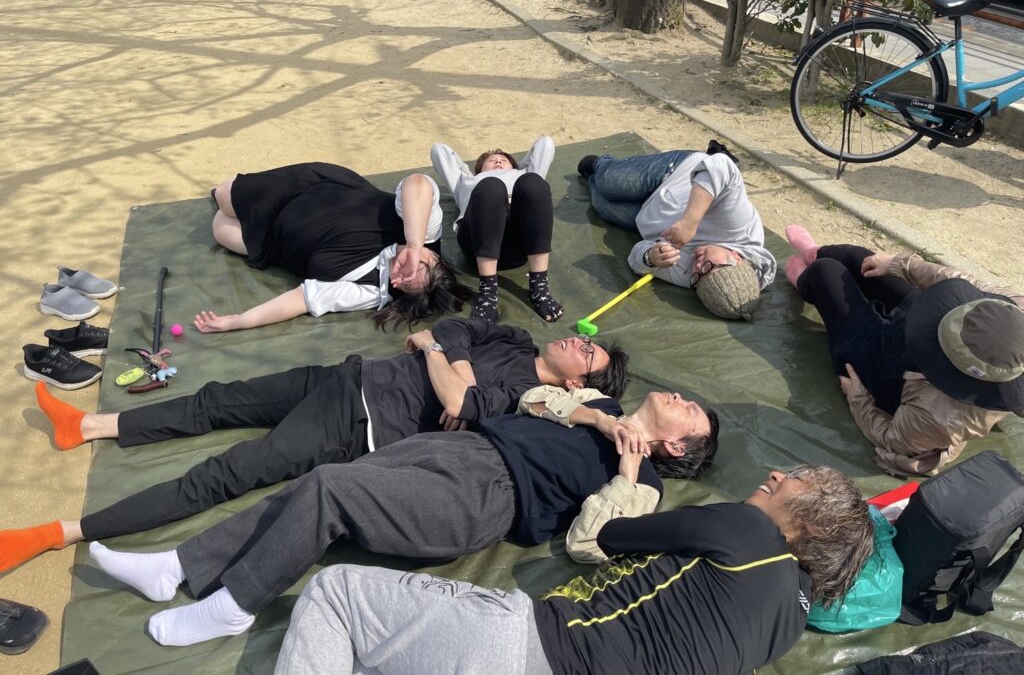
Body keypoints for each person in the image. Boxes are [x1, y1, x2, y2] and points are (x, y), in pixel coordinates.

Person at [85, 386, 720, 647]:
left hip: (487, 499)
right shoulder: (600, 404)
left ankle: (235, 605)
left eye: (690, 412)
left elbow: (592, 542)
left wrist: (627, 471)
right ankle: (177, 567)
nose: (681, 397)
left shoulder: (645, 484)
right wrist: (595, 419)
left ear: (675, 445)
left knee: (330, 487)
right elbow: (534, 398)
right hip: (460, 448)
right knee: (310, 486)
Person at [0, 320, 628, 572]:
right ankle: (88, 426)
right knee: (217, 399)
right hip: (348, 375)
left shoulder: (526, 400)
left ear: (580, 383)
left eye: (588, 351)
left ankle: (61, 532)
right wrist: (447, 355)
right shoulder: (515, 340)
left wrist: (443, 361)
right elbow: (449, 329)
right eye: (583, 337)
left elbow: (462, 404)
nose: (577, 340)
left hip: (358, 424)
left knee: (227, 472)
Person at [271, 465, 872, 675]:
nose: (777, 475)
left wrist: (630, 481)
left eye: (798, 480)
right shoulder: (789, 627)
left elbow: (609, 536)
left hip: (531, 649)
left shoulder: (748, 529)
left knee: (336, 591)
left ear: (812, 526)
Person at [784, 224, 1024, 476]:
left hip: (885, 369)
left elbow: (893, 439)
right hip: (921, 325)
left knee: (826, 273)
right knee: (858, 260)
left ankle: (806, 279)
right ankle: (814, 253)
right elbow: (963, 282)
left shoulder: (938, 414)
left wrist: (859, 398)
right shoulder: (1013, 310)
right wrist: (899, 265)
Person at [194, 163, 472, 333]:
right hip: (309, 189)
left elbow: (302, 300)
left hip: (275, 241)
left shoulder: (373, 291)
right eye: (417, 266)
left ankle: (238, 208)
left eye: (403, 284)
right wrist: (413, 245)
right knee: (224, 196)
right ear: (433, 255)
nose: (401, 275)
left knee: (220, 229)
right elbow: (417, 183)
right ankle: (228, 195)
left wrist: (239, 321)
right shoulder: (424, 230)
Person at [578, 141, 776, 320]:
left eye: (697, 278)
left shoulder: (694, 278)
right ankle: (601, 164)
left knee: (601, 204)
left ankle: (593, 177)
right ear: (736, 257)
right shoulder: (738, 226)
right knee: (610, 182)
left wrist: (650, 257)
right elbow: (722, 165)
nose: (697, 266)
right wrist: (690, 221)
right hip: (677, 175)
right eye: (708, 266)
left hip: (649, 216)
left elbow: (637, 259)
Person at [431, 135, 564, 323]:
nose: (498, 161)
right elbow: (439, 150)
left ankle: (540, 288)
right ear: (479, 169)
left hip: (520, 241)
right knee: (491, 186)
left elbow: (546, 144)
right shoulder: (467, 181)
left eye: (503, 160)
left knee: (533, 182)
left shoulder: (523, 174)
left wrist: (519, 168)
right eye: (491, 160)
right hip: (478, 240)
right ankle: (488, 292)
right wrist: (469, 172)